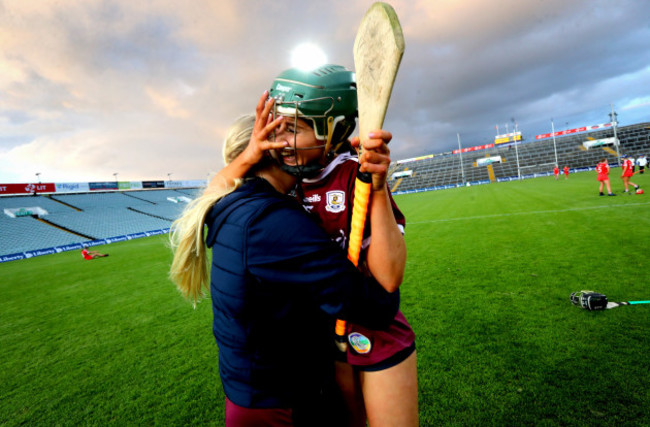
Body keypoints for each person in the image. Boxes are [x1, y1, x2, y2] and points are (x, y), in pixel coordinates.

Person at [209, 65, 418, 427]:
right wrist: (249, 154)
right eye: (278, 126)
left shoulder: (355, 174)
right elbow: (212, 198)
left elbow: (389, 278)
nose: (283, 140)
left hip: (376, 335)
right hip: (326, 345)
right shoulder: (288, 183)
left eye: (294, 129)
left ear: (334, 130)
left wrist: (379, 187)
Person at [169, 112, 400, 426]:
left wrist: (252, 155)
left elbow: (217, 183)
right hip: (281, 403)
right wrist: (375, 189)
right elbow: (378, 307)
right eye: (290, 134)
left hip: (251, 392)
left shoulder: (231, 204)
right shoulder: (273, 222)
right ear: (276, 150)